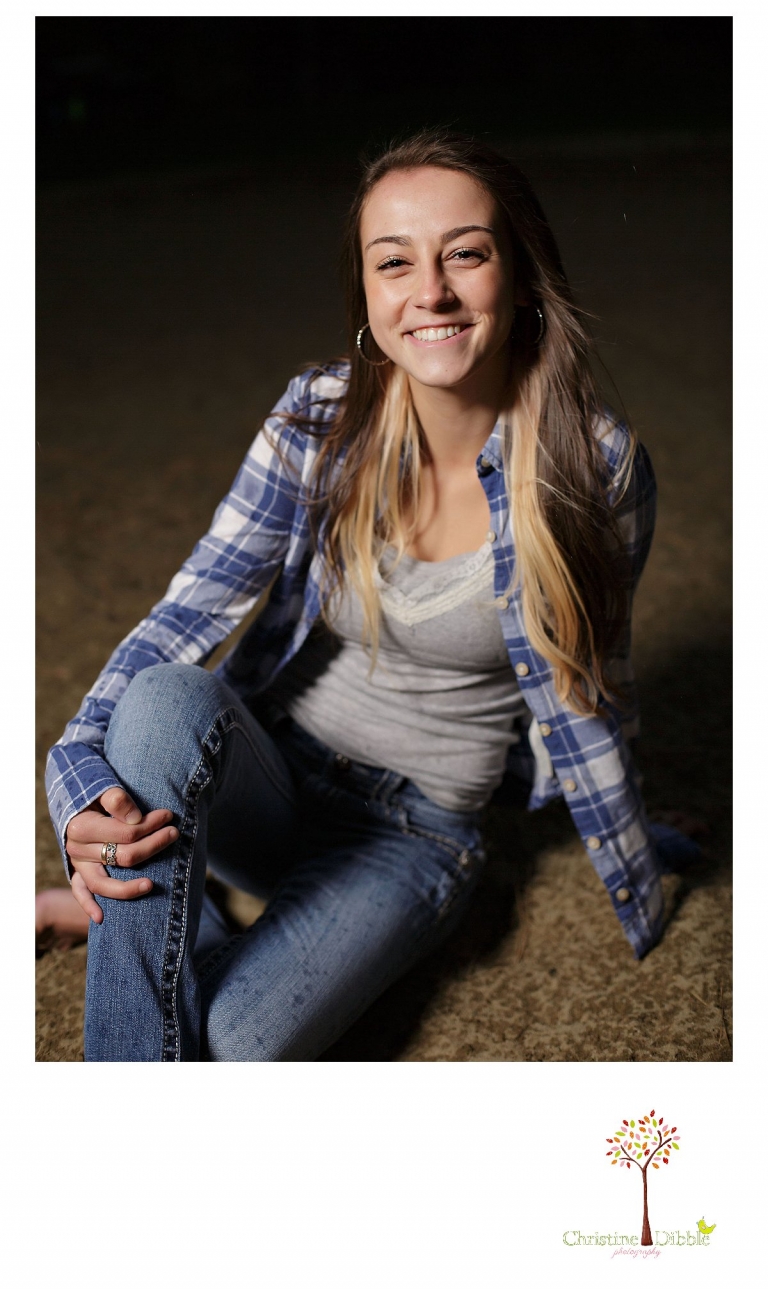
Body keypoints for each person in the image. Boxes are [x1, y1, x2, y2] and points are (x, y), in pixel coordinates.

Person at [42, 128, 698, 1061]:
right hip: (266, 781)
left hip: (414, 833)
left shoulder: (598, 471)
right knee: (161, 703)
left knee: (234, 1043)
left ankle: (154, 921)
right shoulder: (317, 420)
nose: (428, 291)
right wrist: (74, 780)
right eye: (395, 262)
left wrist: (636, 826)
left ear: (520, 272)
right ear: (369, 292)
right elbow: (188, 615)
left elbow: (597, 676)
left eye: (464, 253)